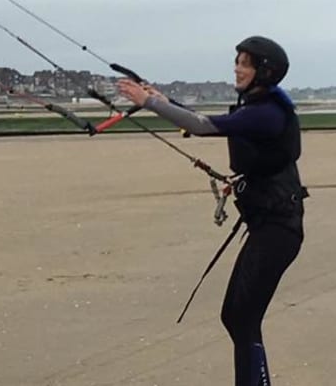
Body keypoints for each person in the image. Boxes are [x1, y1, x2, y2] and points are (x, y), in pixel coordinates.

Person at [116, 36, 307, 386]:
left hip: (278, 231)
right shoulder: (257, 108)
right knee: (235, 316)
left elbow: (201, 125)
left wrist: (150, 102)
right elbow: (201, 120)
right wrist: (158, 99)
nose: (237, 68)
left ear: (264, 71)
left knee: (242, 318)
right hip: (270, 226)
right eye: (238, 60)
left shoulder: (266, 114)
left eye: (246, 63)